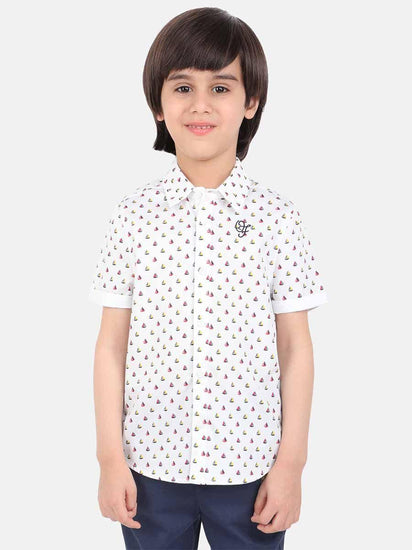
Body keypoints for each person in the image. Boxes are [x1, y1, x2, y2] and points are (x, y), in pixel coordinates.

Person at [88, 7, 328, 550]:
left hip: (250, 472)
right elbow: (110, 346)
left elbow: (295, 348)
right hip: (149, 467)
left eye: (220, 87)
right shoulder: (132, 217)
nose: (200, 105)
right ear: (158, 105)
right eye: (182, 88)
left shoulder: (277, 218)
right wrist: (109, 458)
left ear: (250, 101)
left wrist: (291, 465)